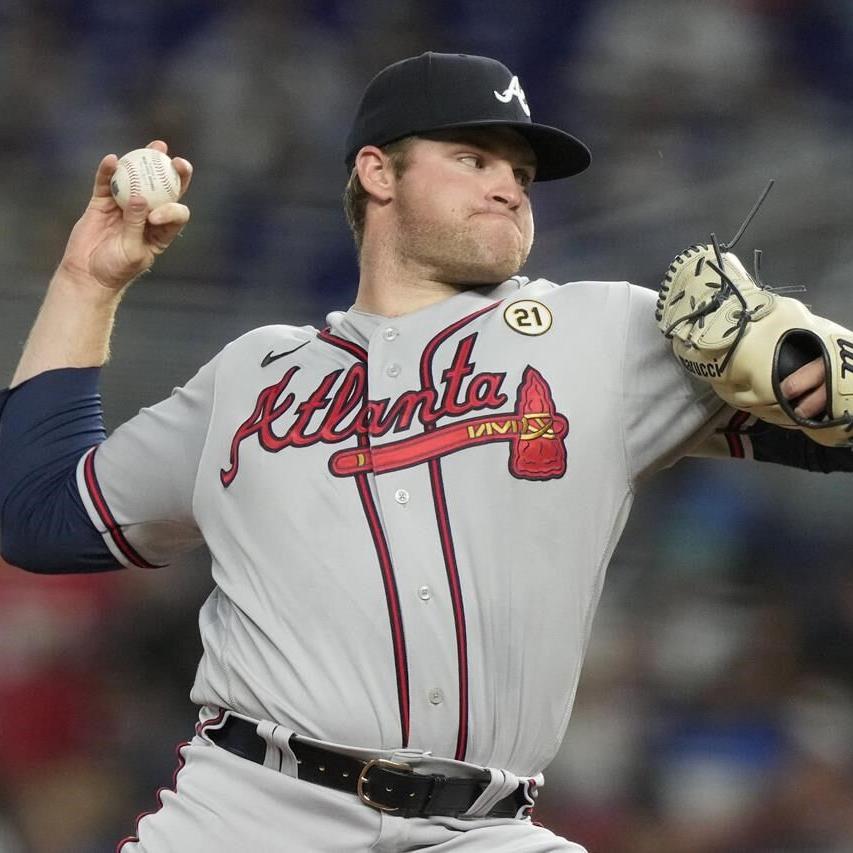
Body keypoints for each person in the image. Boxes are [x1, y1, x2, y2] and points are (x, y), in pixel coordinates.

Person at [0, 51, 850, 853]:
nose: (510, 187)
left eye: (520, 173)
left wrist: (805, 363)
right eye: (475, 157)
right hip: (252, 811)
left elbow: (826, 414)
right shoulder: (249, 376)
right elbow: (39, 516)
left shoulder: (608, 331)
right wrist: (88, 282)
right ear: (378, 171)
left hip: (484, 825)